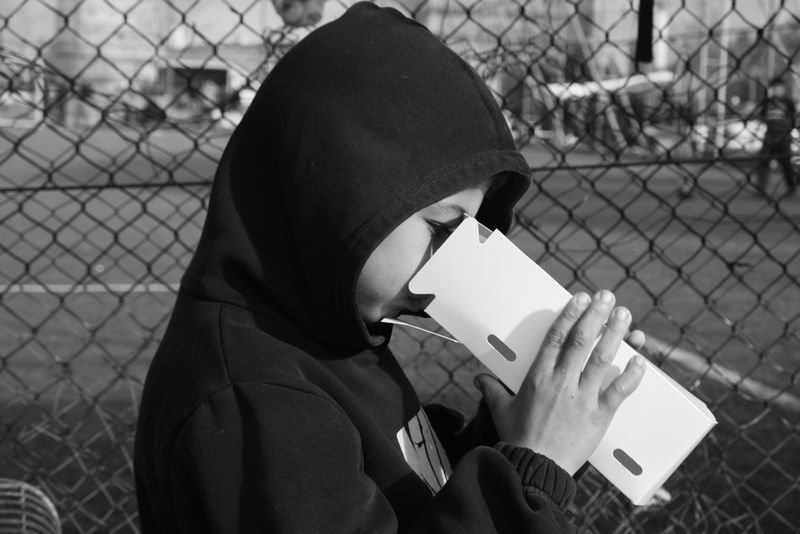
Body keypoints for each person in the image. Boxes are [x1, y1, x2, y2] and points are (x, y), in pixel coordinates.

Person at [133, 3, 646, 532]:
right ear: (340, 193)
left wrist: (515, 441)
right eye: (442, 228)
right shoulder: (255, 402)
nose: (453, 267)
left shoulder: (323, 337)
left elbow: (410, 493)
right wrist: (531, 475)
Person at [756, 78, 798, 197]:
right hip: (769, 136)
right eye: (774, 87)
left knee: (786, 163)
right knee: (763, 161)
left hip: (783, 137)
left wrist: (790, 129)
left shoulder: (788, 102)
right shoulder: (767, 102)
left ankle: (791, 187)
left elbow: (793, 118)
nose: (776, 90)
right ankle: (761, 188)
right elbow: (762, 116)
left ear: (783, 89)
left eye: (779, 87)